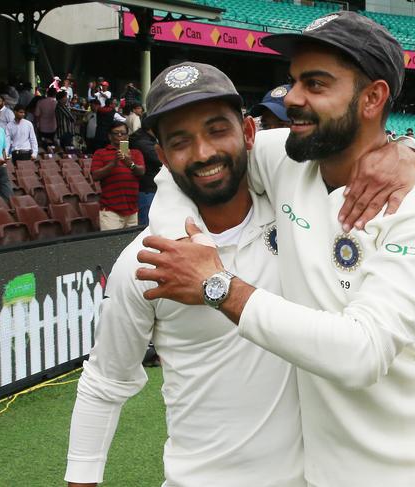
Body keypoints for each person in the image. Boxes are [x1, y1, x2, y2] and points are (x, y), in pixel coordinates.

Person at [139, 12, 415, 486]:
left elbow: (363, 352)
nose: (292, 98)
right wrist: (182, 238)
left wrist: (217, 286)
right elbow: (186, 166)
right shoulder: (288, 158)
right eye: (294, 80)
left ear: (373, 97)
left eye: (316, 84)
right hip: (321, 468)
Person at [65, 64, 305, 487]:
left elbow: (361, 156)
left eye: (217, 130)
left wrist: (409, 153)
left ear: (249, 132)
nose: (202, 153)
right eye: (180, 141)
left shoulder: (298, 217)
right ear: (162, 154)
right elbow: (104, 382)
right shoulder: (145, 260)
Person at [91, 121, 145, 230]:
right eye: (116, 133)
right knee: (112, 245)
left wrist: (129, 163)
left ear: (127, 136)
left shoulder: (135, 153)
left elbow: (141, 172)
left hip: (132, 210)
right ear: (109, 136)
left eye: (123, 133)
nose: (120, 136)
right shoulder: (100, 153)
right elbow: (95, 176)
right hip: (110, 211)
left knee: (130, 245)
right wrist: (113, 163)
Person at [129, 126, 161, 225]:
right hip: (146, 188)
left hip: (150, 186)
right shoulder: (142, 142)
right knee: (147, 224)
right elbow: (159, 158)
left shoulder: (148, 139)